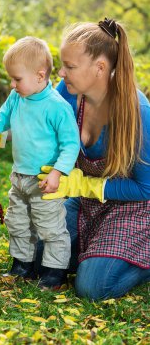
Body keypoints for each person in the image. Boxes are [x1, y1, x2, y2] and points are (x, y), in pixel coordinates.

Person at [0, 36, 80, 289]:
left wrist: (57, 172)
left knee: (50, 228)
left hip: (44, 181)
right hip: (19, 176)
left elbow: (70, 145)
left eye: (17, 79)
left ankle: (54, 273)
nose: (12, 84)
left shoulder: (57, 107)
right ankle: (22, 266)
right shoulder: (16, 98)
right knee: (17, 222)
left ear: (40, 76)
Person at [38, 18, 150, 300]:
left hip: (134, 208)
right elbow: (35, 123)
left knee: (93, 287)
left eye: (70, 67)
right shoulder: (68, 93)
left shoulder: (139, 114)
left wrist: (87, 186)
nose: (61, 73)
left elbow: (146, 188)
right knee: (42, 256)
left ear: (100, 68)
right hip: (87, 203)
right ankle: (99, 250)